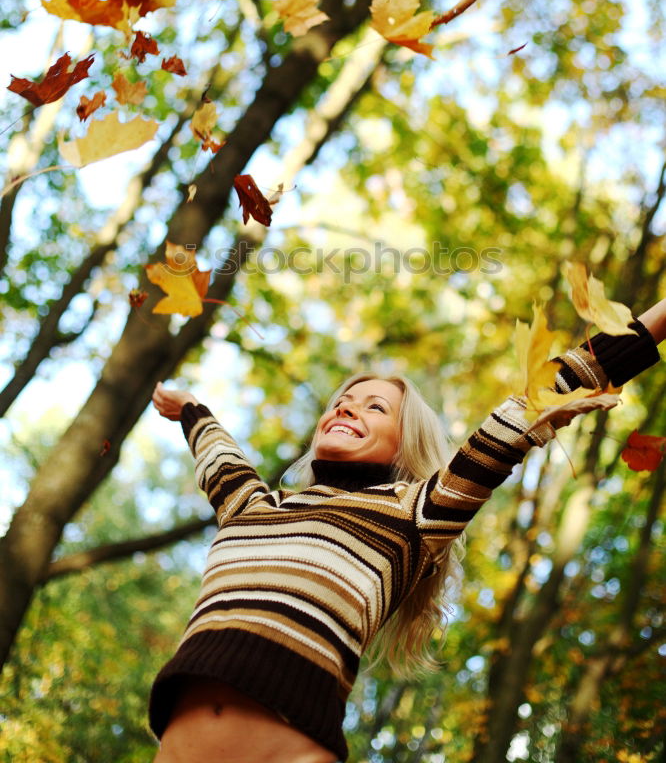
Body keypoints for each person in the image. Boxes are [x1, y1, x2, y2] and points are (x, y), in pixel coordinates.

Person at [148, 300, 666, 763]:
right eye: (343, 401)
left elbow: (534, 403)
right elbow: (219, 454)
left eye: (376, 407)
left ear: (403, 443)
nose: (348, 407)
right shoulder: (254, 509)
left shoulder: (413, 514)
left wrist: (658, 320)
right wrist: (191, 407)